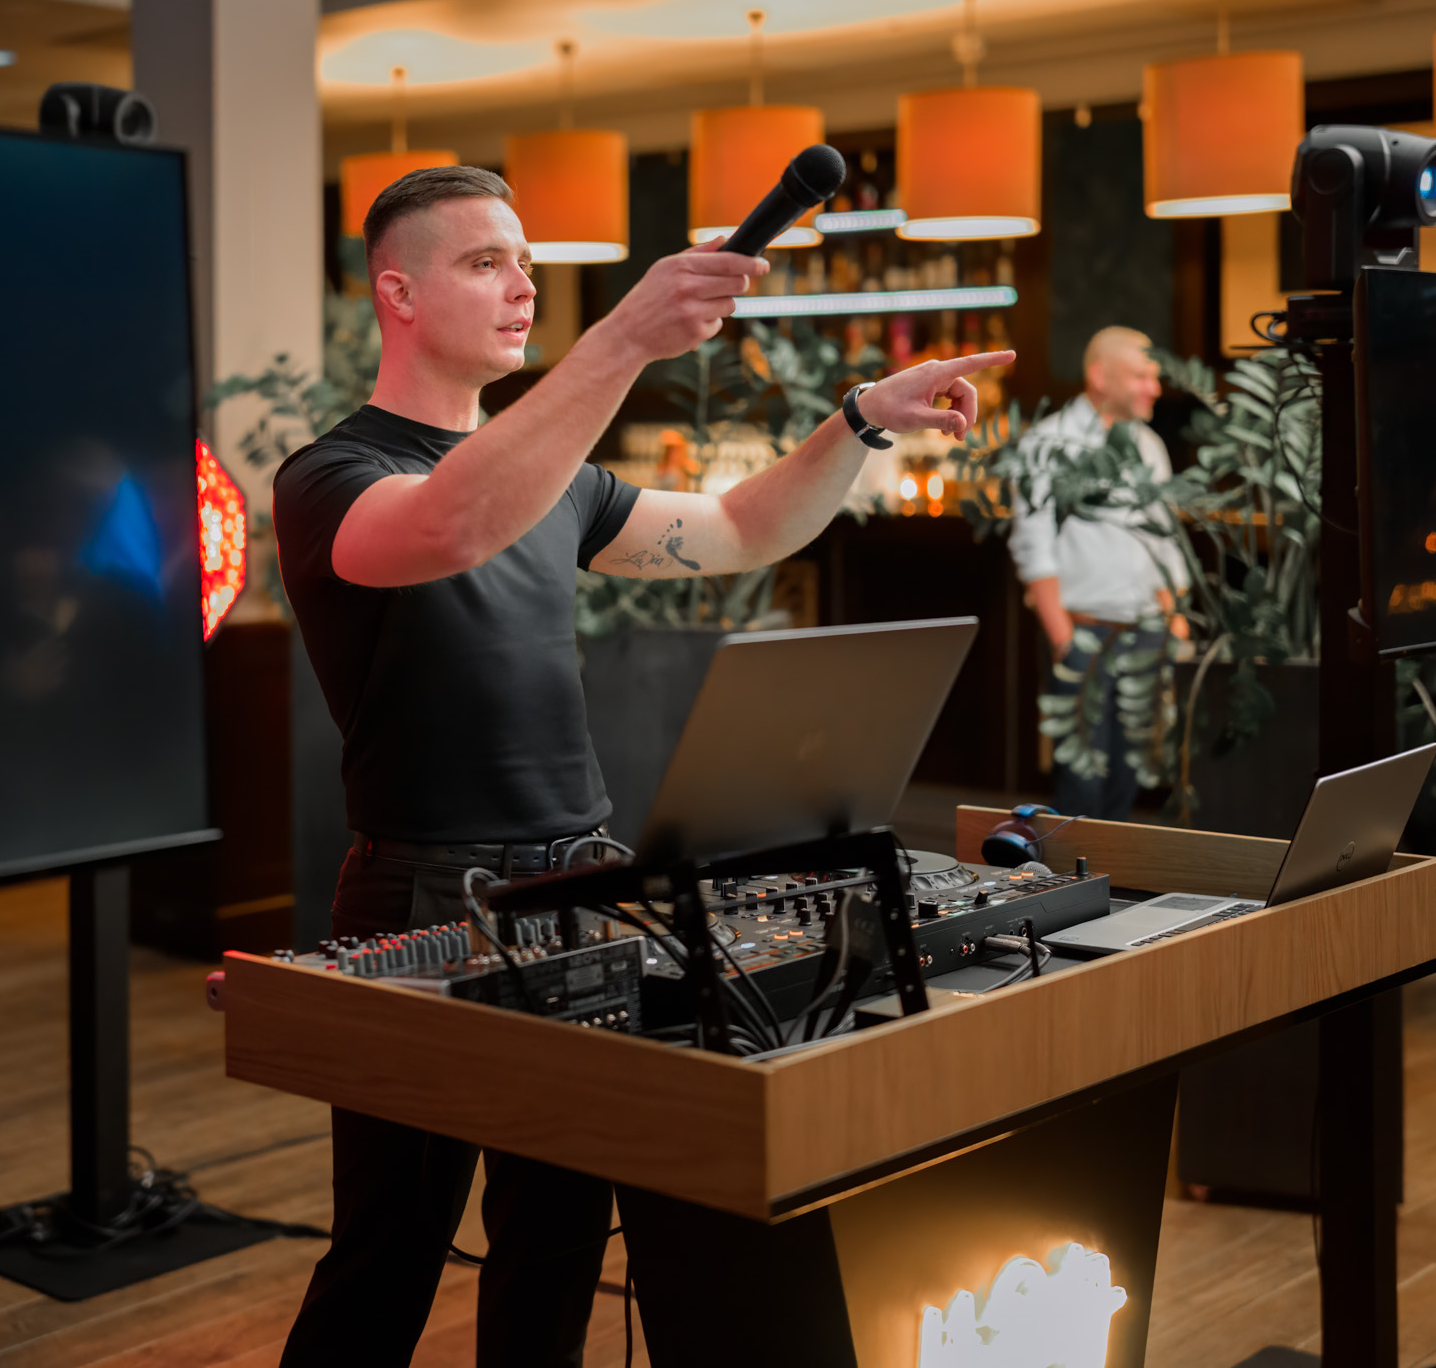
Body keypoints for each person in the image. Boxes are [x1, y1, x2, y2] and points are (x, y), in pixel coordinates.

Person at [272, 165, 1010, 1367]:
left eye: (526, 263)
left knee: (556, 1240)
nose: (522, 287)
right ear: (396, 292)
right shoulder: (328, 479)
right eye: (484, 263)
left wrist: (858, 423)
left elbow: (744, 528)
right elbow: (453, 522)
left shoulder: (559, 482)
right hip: (422, 898)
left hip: (580, 888)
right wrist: (623, 336)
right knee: (389, 1251)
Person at [1007, 325, 1189, 821]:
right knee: (1081, 790)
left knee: (1127, 789)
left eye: (1154, 377)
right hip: (1083, 637)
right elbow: (1033, 547)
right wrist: (1064, 640)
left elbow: (1166, 544)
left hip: (1147, 637)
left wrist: (1175, 628)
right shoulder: (1049, 443)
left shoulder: (1149, 446)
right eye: (1141, 376)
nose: (1155, 388)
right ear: (1099, 376)